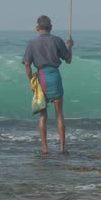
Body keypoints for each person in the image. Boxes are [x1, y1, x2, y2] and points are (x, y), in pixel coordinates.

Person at [23, 15, 73, 154]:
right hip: (55, 77)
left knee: (43, 115)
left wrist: (30, 81)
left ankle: (45, 149)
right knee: (59, 115)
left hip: (41, 79)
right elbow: (68, 60)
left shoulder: (31, 43)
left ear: (37, 28)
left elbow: (27, 64)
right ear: (50, 27)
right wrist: (69, 47)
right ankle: (62, 149)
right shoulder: (57, 40)